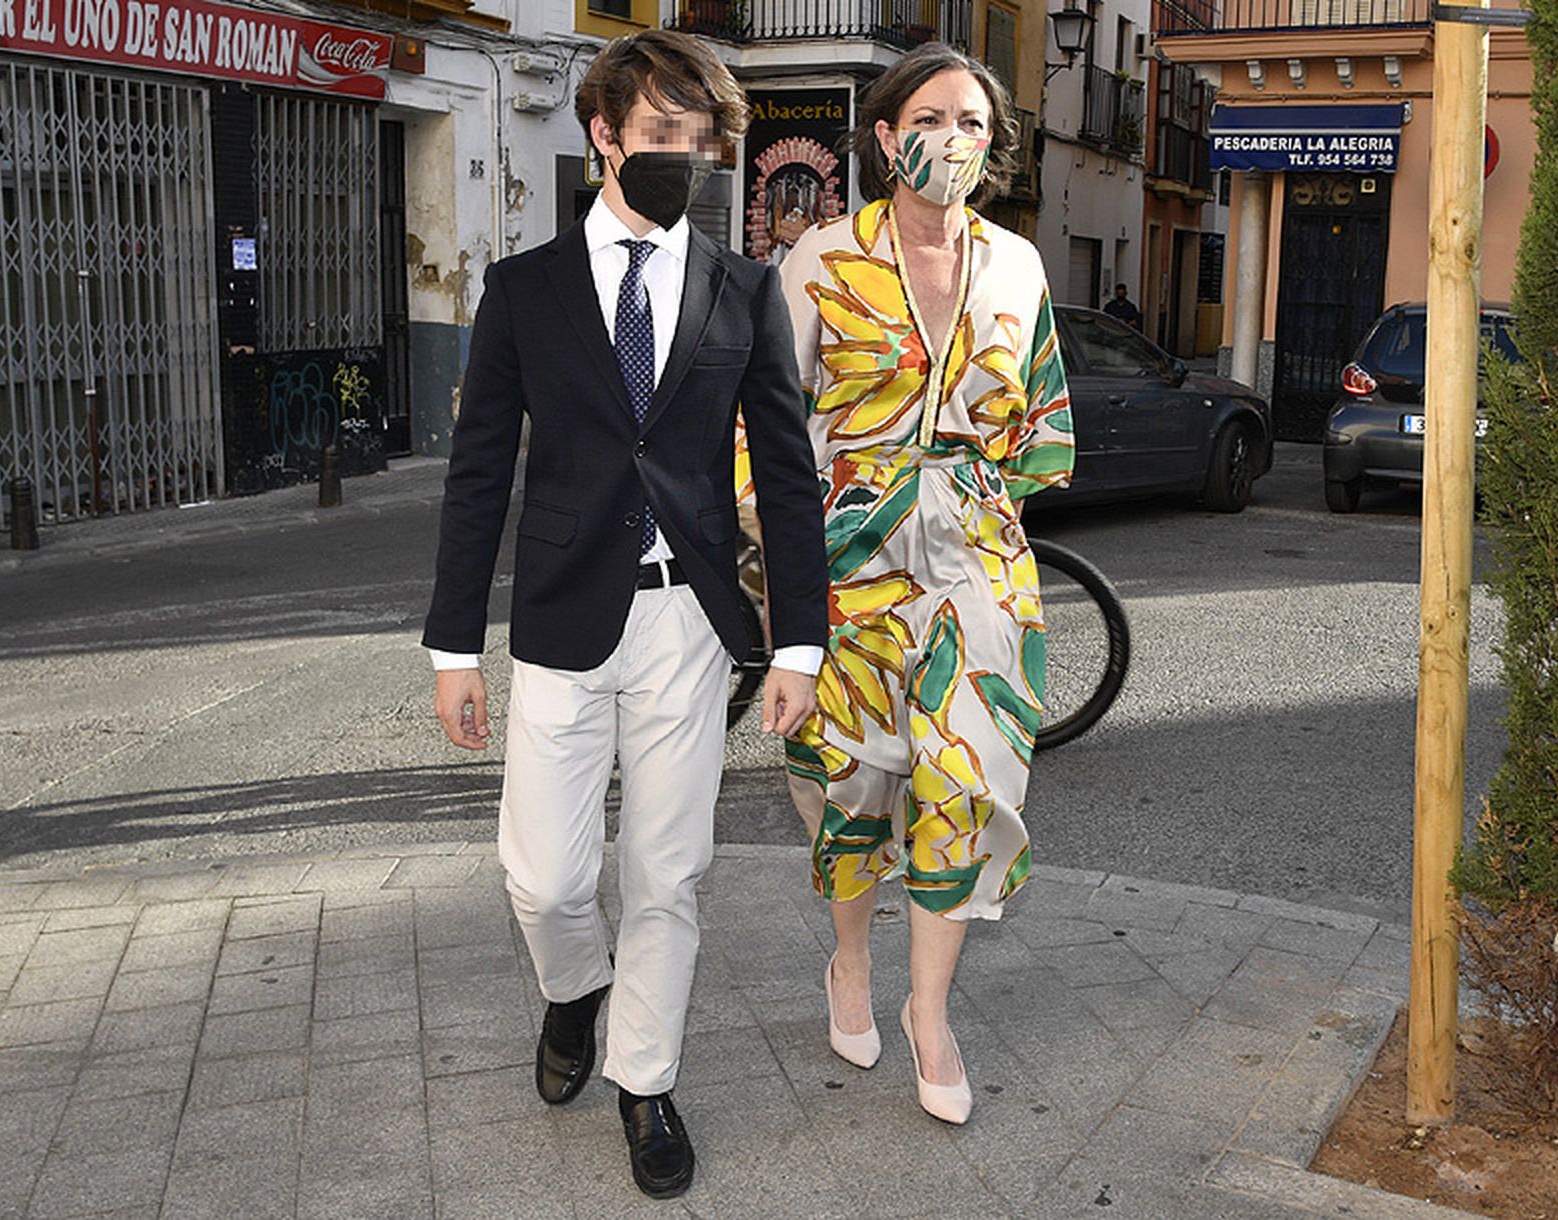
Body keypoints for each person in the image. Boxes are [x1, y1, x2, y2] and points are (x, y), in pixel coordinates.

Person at [421, 30, 829, 1200]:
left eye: (698, 142)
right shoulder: (524, 289)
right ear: (604, 134)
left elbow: (787, 475)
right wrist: (454, 646)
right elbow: (478, 475)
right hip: (563, 612)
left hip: (687, 621)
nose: (681, 158)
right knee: (546, 880)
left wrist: (798, 640)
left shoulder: (743, 288)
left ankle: (645, 1079)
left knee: (669, 868)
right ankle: (572, 990)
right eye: (659, 134)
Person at [778, 41, 1075, 1125]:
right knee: (853, 783)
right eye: (932, 119)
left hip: (979, 566)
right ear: (885, 133)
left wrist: (977, 505)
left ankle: (930, 1011)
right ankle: (851, 961)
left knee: (966, 781)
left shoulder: (1018, 265)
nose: (953, 140)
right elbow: (764, 428)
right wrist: (781, 578)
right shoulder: (820, 259)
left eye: (973, 125)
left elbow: (1044, 419)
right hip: (845, 562)